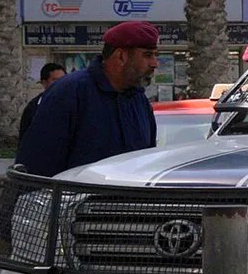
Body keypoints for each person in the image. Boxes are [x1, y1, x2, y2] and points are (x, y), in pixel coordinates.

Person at [15, 21, 159, 177]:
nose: (155, 63)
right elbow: (37, 165)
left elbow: (145, 160)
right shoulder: (69, 93)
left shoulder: (139, 101)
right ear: (121, 56)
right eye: (147, 55)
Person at [18, 63, 67, 140]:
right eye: (56, 80)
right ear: (44, 83)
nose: (62, 83)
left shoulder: (75, 104)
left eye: (64, 79)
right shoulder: (33, 108)